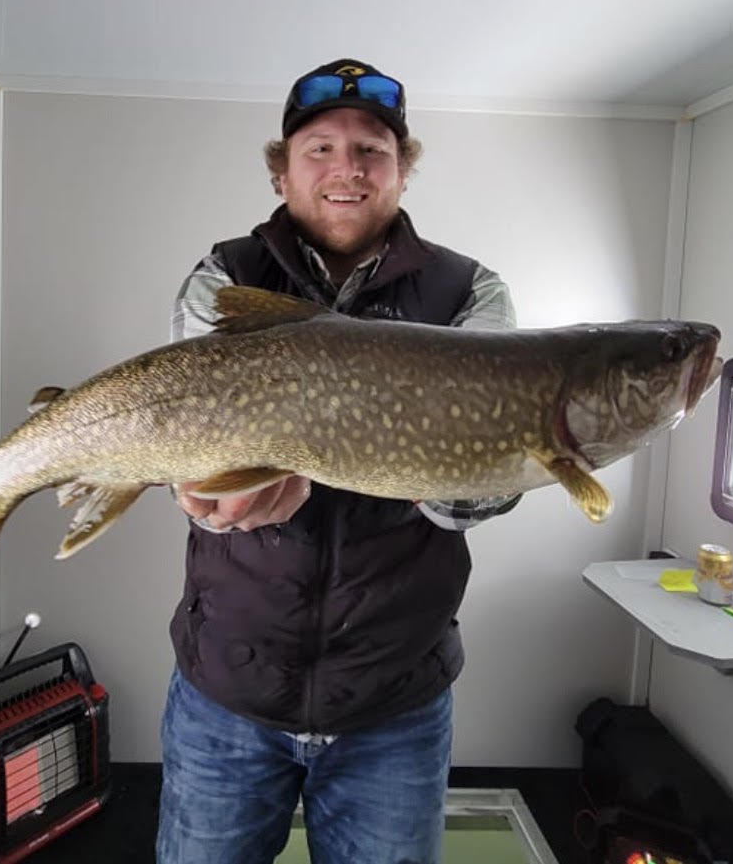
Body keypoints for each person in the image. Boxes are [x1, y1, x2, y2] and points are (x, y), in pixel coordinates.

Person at [156, 58, 520, 864]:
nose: (346, 169)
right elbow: (191, 432)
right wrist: (209, 488)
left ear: (402, 169)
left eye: (371, 150)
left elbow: (483, 487)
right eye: (319, 148)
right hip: (229, 691)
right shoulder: (224, 277)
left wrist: (473, 474)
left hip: (393, 700)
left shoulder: (470, 293)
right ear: (282, 171)